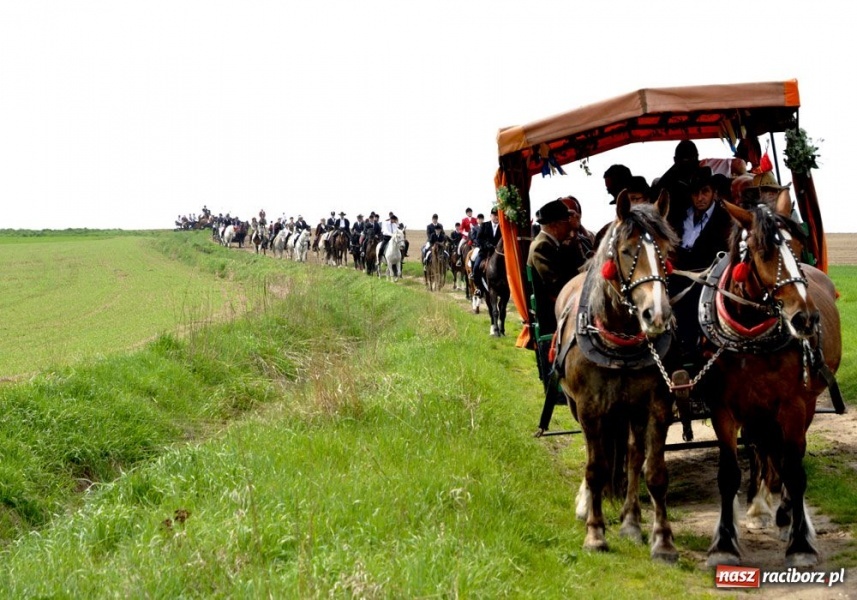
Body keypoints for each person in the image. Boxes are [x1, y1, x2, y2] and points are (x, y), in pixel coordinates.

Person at [527, 199, 576, 334]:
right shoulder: (541, 246)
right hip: (552, 314)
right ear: (555, 225)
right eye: (567, 222)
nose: (570, 226)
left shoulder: (551, 244)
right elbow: (556, 285)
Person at [655, 140, 701, 231]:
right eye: (684, 159)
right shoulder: (665, 184)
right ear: (675, 160)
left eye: (691, 159)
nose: (687, 163)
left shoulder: (702, 177)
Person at [560, 196, 596, 268]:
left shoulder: (586, 241)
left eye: (576, 216)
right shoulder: (555, 246)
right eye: (569, 215)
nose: (573, 218)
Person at [472, 207, 502, 281]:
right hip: (484, 251)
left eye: (498, 215)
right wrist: (486, 244)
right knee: (476, 267)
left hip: (498, 252)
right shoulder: (484, 225)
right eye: (494, 215)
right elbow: (478, 238)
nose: (496, 217)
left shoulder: (502, 227)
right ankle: (478, 286)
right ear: (491, 216)